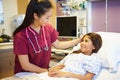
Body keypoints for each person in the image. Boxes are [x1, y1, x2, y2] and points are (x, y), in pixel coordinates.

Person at [13, 0, 80, 74]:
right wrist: (47, 71)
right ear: (35, 16)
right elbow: (25, 65)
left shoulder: (48, 28)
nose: (49, 20)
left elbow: (58, 44)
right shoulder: (21, 36)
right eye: (47, 18)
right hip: (25, 74)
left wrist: (79, 40)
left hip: (43, 72)